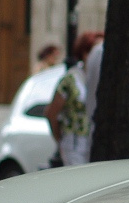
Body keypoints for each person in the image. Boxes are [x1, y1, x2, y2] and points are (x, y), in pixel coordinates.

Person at [44, 31, 103, 167]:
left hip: (94, 140)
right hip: (75, 142)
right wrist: (62, 140)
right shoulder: (71, 79)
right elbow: (51, 113)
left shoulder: (100, 79)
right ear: (85, 53)